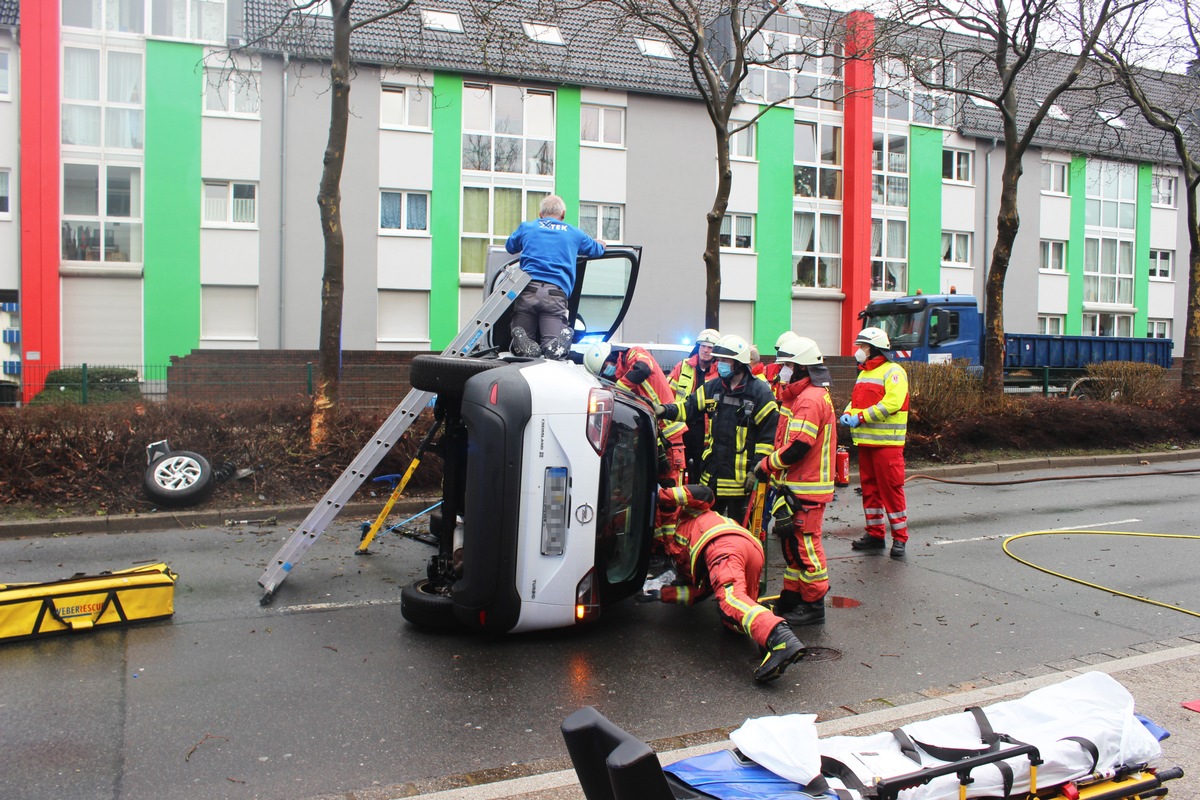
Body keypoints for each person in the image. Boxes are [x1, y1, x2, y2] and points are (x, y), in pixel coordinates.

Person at [643, 484, 806, 683]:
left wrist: (661, 495)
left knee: (731, 600)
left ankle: (780, 639)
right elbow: (700, 591)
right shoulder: (672, 543)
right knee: (733, 617)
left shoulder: (686, 509)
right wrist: (663, 595)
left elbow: (705, 493)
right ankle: (768, 628)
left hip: (722, 546)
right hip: (747, 547)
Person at [753, 337, 835, 626]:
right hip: (797, 484)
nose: (783, 370)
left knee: (806, 549)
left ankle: (813, 605)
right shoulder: (801, 396)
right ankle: (793, 596)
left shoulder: (809, 400)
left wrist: (767, 464)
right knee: (792, 546)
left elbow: (799, 446)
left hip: (807, 487)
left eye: (788, 365)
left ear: (801, 367)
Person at [659, 334, 779, 524]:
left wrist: (755, 470)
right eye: (719, 359)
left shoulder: (760, 393)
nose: (720, 364)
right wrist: (663, 410)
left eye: (725, 361)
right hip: (712, 478)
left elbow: (768, 437)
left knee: (737, 534)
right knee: (707, 528)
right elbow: (688, 407)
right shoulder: (713, 387)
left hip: (740, 485)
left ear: (739, 363)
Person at [504, 195, 605, 360]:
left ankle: (523, 340)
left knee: (523, 351)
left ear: (540, 213)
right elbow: (596, 250)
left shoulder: (528, 227)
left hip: (527, 289)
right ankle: (556, 343)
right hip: (555, 294)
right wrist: (601, 244)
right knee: (552, 348)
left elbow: (510, 246)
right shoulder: (574, 233)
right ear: (563, 214)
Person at [841, 326, 910, 559]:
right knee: (870, 490)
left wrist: (859, 417)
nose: (859, 351)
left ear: (874, 349)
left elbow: (891, 403)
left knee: (891, 491)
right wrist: (847, 411)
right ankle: (875, 534)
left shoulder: (894, 372)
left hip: (887, 445)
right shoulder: (864, 373)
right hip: (867, 443)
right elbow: (856, 401)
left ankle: (900, 539)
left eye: (863, 347)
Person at [584, 341, 687, 486]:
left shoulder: (634, 354)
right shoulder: (619, 378)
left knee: (671, 485)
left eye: (605, 368)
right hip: (652, 434)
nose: (606, 374)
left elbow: (643, 369)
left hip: (669, 432)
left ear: (611, 357)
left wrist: (619, 390)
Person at [669, 328, 721, 481]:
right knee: (679, 464)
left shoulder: (720, 372)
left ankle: (696, 498)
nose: (705, 350)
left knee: (701, 467)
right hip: (682, 425)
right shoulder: (682, 366)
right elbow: (669, 394)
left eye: (710, 347)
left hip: (705, 429)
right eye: (703, 346)